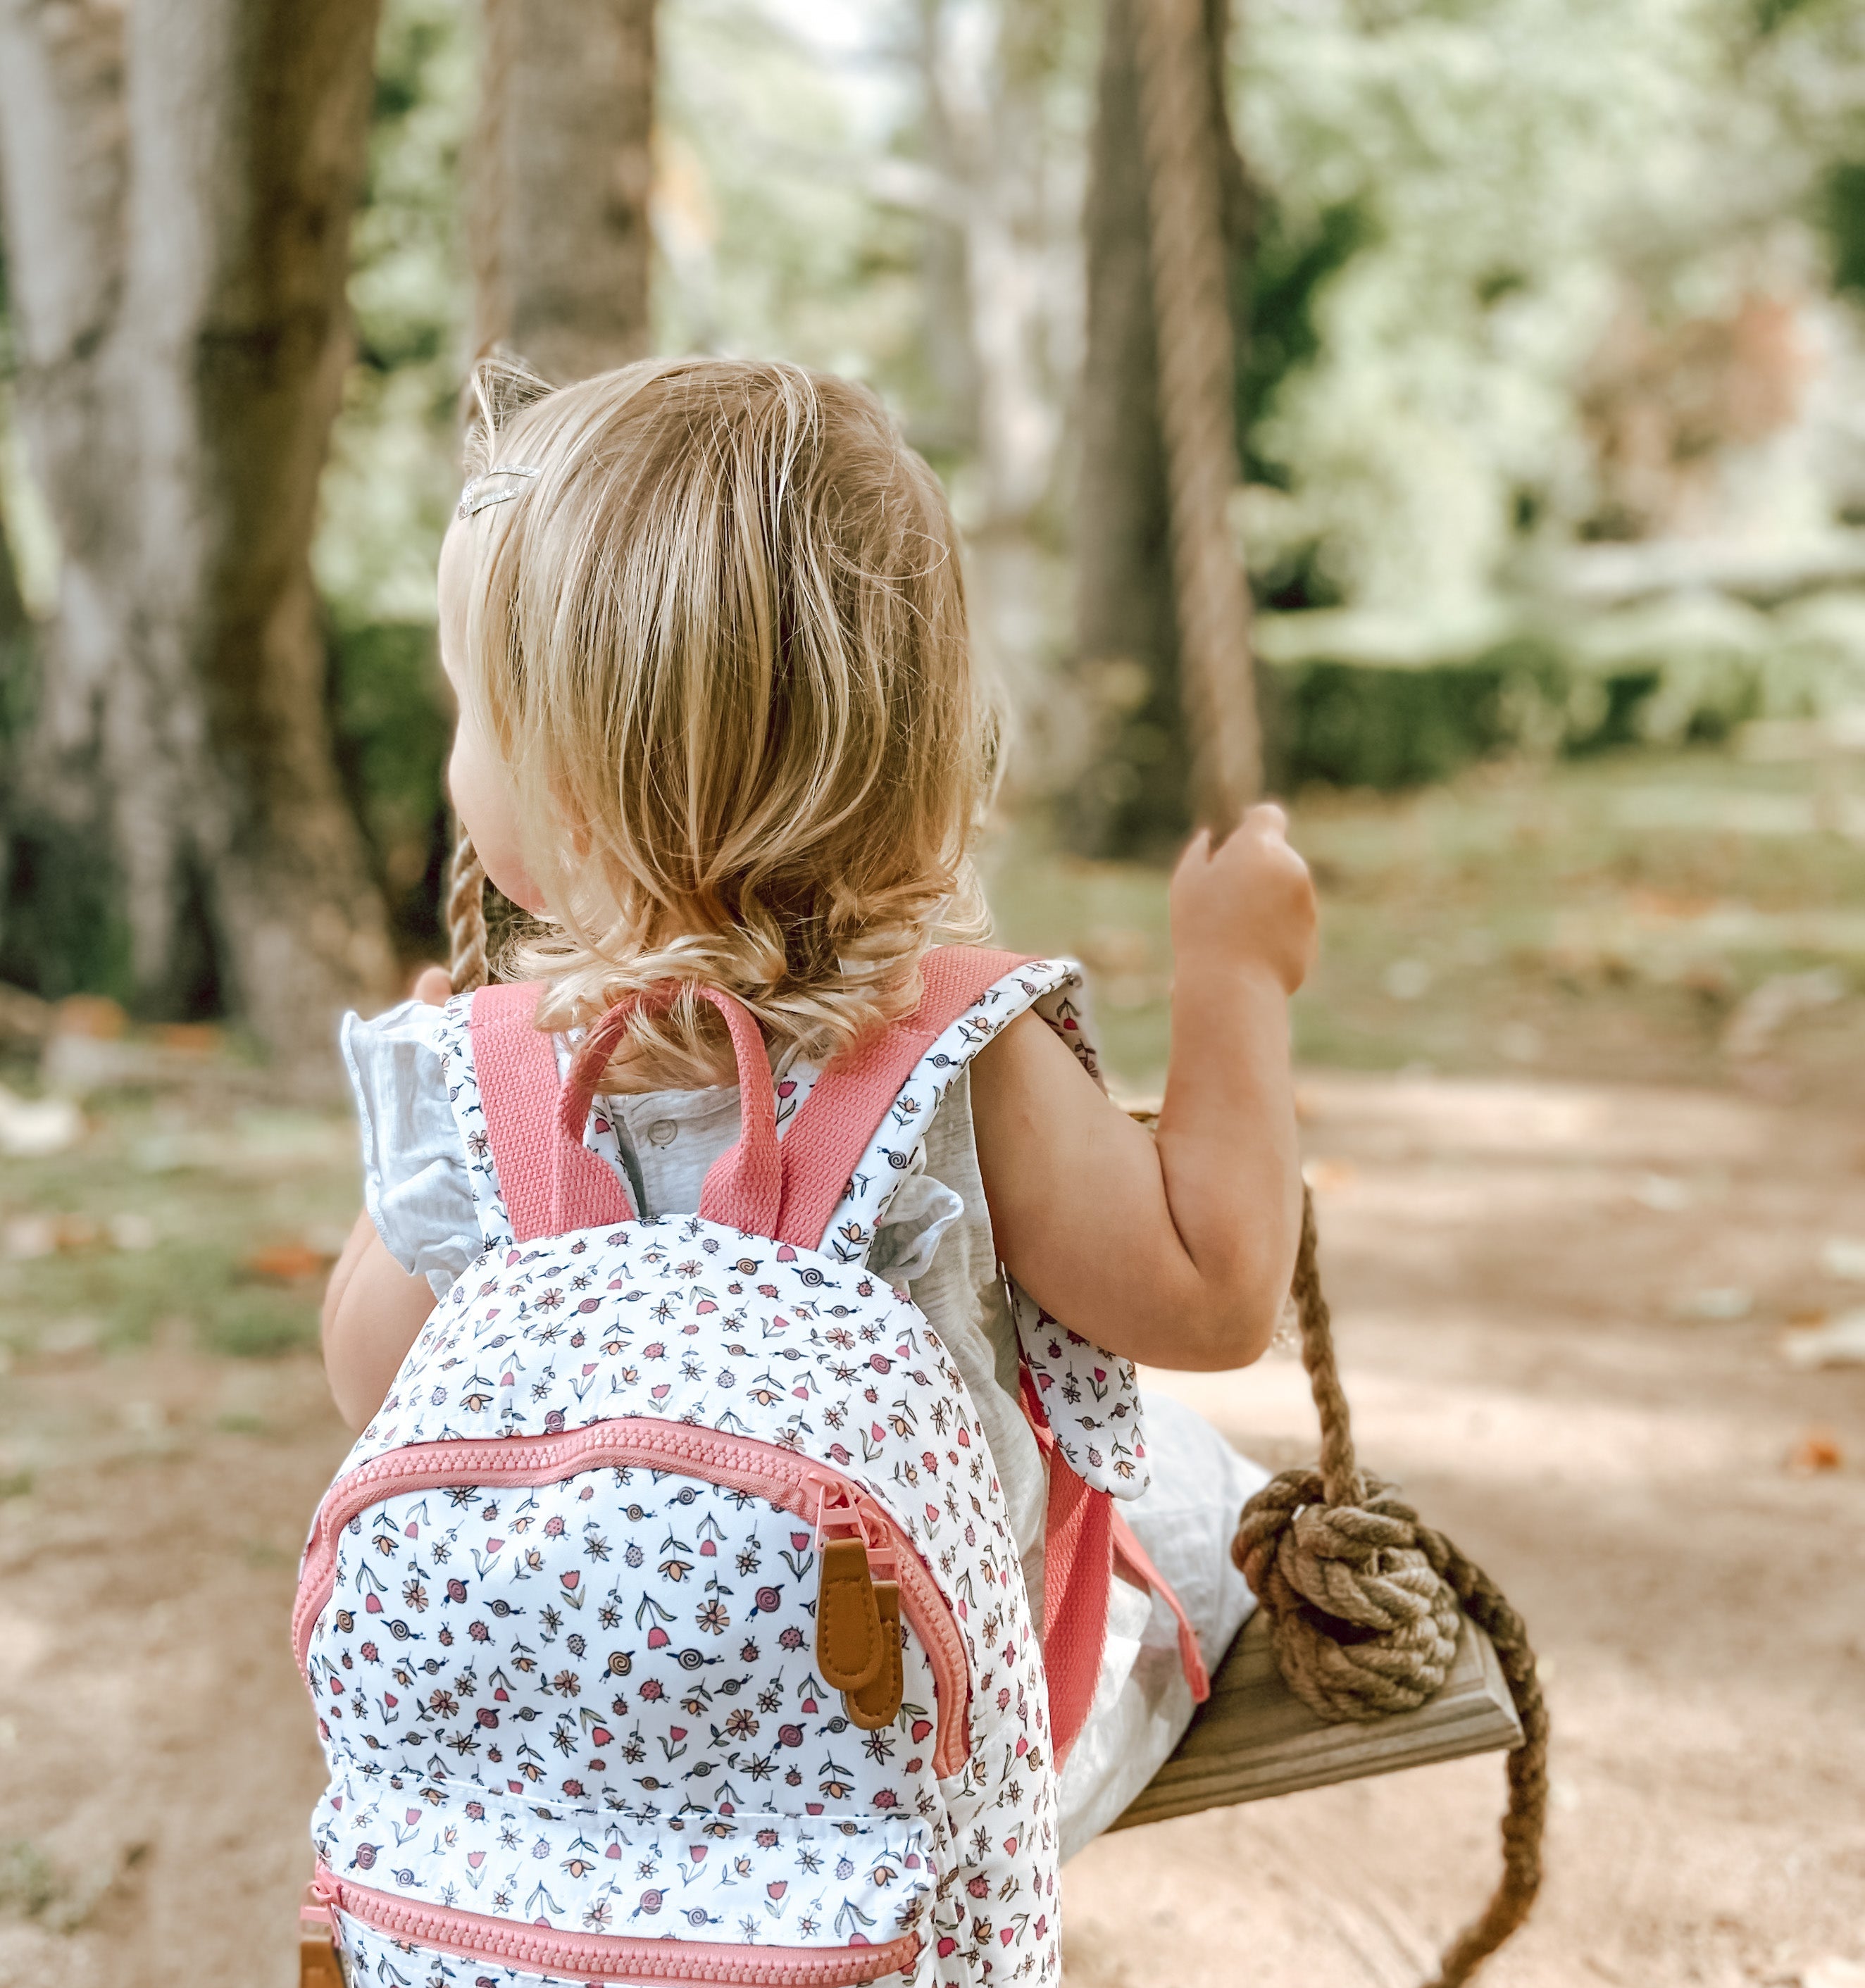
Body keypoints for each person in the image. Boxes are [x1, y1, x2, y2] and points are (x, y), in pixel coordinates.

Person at [321, 356, 1316, 1857]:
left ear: (559, 793)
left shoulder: (477, 1073)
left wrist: (434, 1123)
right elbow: (1216, 1294)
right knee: (1189, 1492)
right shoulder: (957, 1056)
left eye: (468, 708)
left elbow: (371, 1384)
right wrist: (1233, 976)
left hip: (583, 1777)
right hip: (918, 1793)